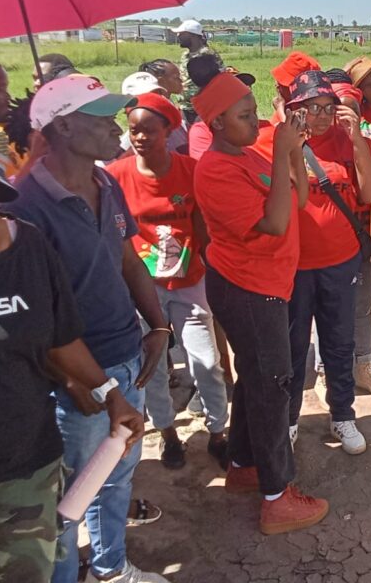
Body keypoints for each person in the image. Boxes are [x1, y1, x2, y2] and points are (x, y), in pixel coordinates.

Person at [0, 112, 144, 583]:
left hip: (28, 462)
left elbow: (61, 339)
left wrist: (110, 395)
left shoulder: (30, 248)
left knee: (29, 573)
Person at [3, 74, 173, 583]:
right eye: (101, 116)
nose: (116, 125)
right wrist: (82, 379)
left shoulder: (106, 182)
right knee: (69, 496)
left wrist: (159, 327)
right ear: (65, 127)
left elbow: (127, 259)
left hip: (127, 356)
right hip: (75, 376)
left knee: (116, 474)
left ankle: (110, 568)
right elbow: (31, 315)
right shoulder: (22, 205)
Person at [192, 71, 329, 535]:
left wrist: (289, 152)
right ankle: (277, 498)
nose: (255, 122)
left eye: (255, 113)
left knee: (255, 380)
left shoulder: (248, 155)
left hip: (267, 282)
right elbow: (273, 222)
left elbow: (301, 198)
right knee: (272, 387)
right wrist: (279, 153)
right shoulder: (214, 171)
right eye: (245, 116)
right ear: (215, 124)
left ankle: (245, 465)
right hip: (248, 289)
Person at [106, 93, 229, 470]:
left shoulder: (191, 170)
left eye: (149, 130)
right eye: (133, 131)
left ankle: (218, 431)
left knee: (207, 362)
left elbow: (204, 223)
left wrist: (207, 264)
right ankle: (168, 433)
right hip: (144, 288)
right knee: (152, 368)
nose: (140, 137)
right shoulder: (116, 177)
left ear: (169, 130)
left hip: (190, 283)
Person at [283, 71, 371, 455]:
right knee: (294, 347)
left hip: (340, 264)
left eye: (329, 107)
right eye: (313, 108)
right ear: (296, 109)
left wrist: (358, 140)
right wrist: (291, 145)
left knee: (339, 344)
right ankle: (290, 419)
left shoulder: (351, 142)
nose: (323, 116)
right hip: (294, 265)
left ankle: (342, 415)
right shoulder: (280, 143)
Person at [184, 55, 256, 160]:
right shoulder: (202, 131)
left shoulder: (254, 125)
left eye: (245, 86)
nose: (242, 91)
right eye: (232, 88)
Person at [117, 73, 188, 156]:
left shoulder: (178, 127)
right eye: (145, 98)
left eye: (157, 95)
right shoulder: (121, 149)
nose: (153, 101)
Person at [176, 19, 222, 125]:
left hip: (201, 110)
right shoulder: (185, 55)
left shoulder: (207, 56)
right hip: (186, 108)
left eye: (182, 34)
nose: (178, 36)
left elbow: (216, 83)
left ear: (193, 35)